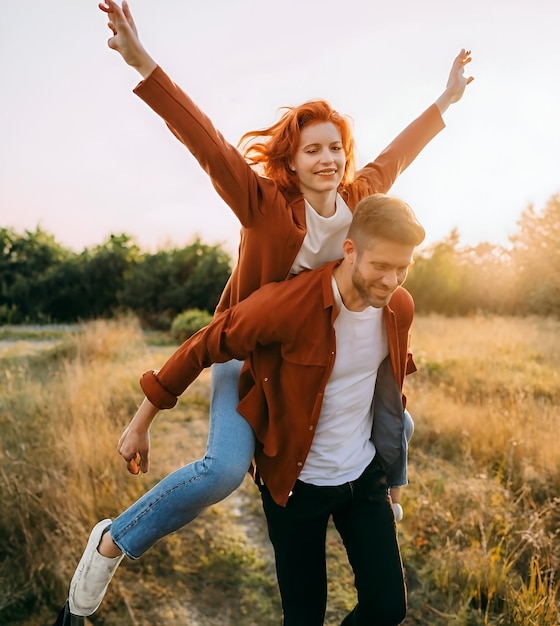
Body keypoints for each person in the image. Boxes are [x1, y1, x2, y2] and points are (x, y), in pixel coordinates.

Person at [55, 0, 473, 622]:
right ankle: (114, 539)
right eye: (312, 151)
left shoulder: (359, 203)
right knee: (224, 470)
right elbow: (207, 142)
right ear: (292, 160)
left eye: (336, 148)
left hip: (309, 354)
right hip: (245, 348)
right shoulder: (263, 204)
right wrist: (142, 63)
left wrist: (444, 102)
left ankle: (371, 497)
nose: (327, 159)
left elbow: (397, 156)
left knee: (398, 425)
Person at [122, 194, 425, 625]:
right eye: (382, 266)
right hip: (295, 486)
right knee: (303, 618)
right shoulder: (288, 305)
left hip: (364, 478)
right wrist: (142, 421)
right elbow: (206, 343)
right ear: (350, 249)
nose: (392, 280)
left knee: (388, 607)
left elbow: (392, 394)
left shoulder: (399, 307)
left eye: (403, 268)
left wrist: (395, 472)